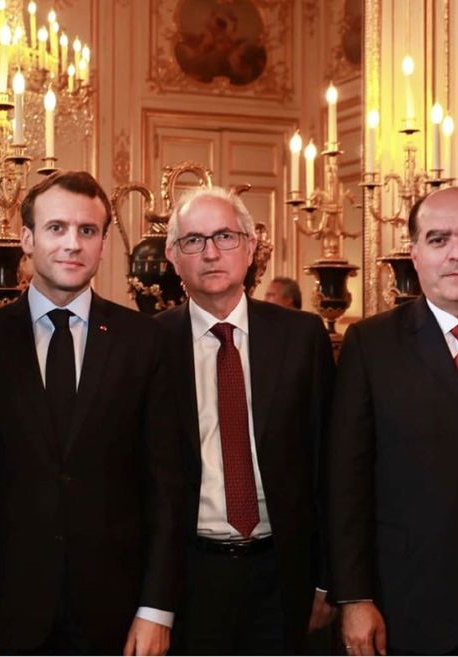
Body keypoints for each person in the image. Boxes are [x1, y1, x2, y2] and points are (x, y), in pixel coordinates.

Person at [0, 171, 184, 655]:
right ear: (28, 240)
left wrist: (156, 608)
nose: (72, 244)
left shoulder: (145, 341)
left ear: (102, 245)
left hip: (117, 616)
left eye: (88, 231)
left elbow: (168, 485)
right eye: (57, 228)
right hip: (1, 611)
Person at [327, 186, 458, 655]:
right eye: (438, 239)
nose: (457, 254)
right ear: (416, 253)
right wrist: (355, 597)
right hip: (409, 605)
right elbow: (347, 482)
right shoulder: (370, 346)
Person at [156, 187, 335, 654]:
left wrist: (327, 579)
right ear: (173, 257)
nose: (211, 252)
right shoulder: (147, 344)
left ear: (251, 246)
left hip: (284, 573)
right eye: (193, 241)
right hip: (187, 576)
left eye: (225, 237)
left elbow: (329, 465)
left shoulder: (301, 337)